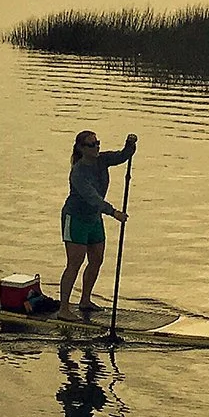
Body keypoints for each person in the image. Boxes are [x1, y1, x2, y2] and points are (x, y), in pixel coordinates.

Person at [59, 129, 136, 321]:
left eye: (97, 143)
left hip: (94, 219)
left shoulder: (102, 160)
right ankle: (63, 309)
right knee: (74, 264)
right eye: (91, 145)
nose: (96, 147)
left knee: (97, 260)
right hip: (76, 218)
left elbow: (121, 157)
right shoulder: (78, 172)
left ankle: (85, 300)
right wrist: (114, 212)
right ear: (81, 148)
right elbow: (92, 197)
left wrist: (130, 144)